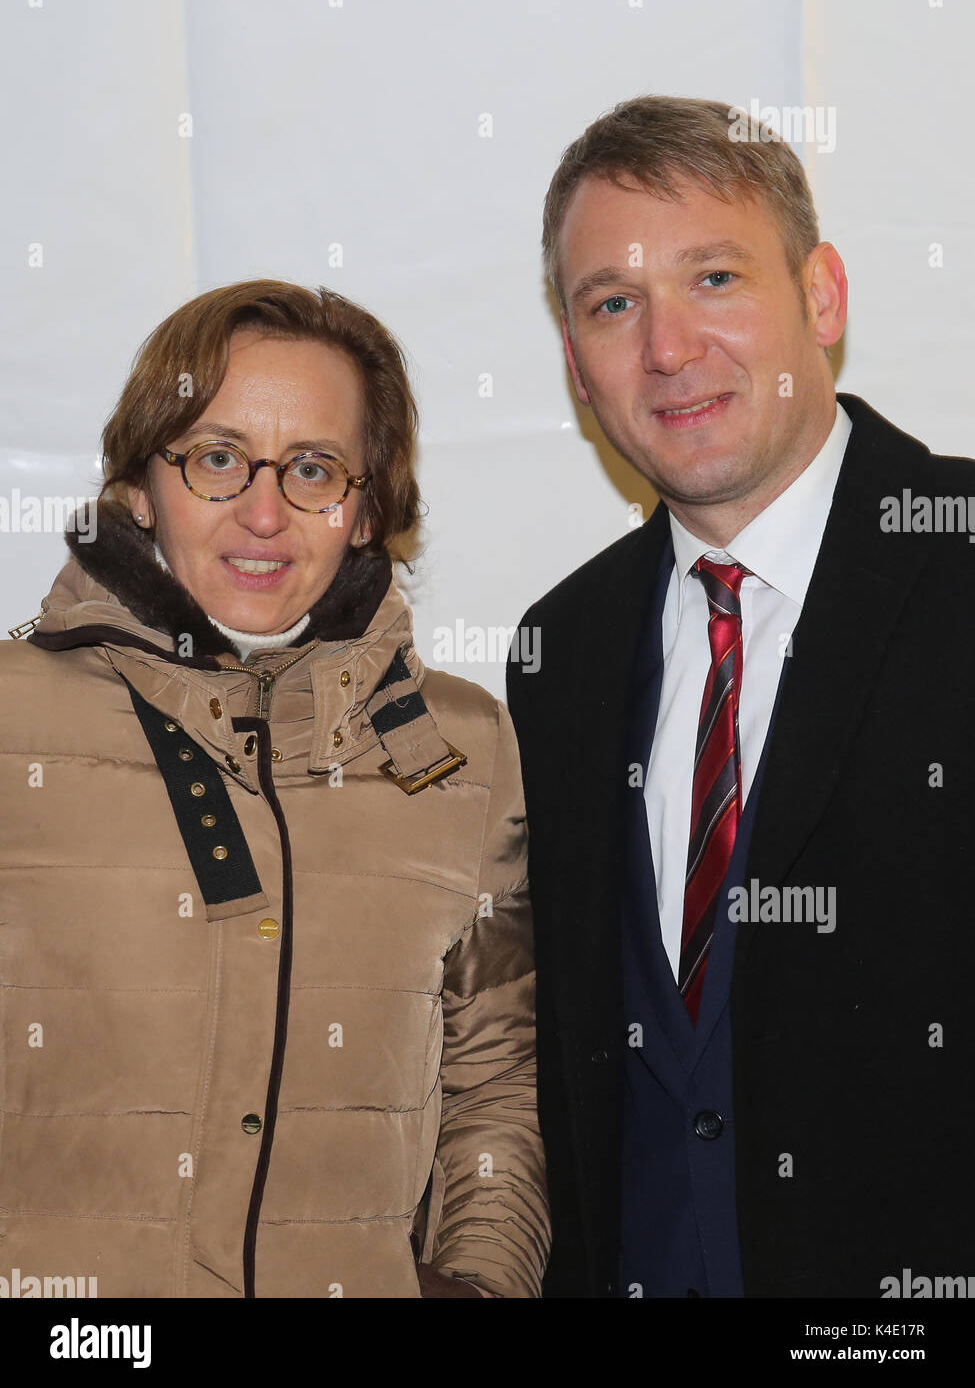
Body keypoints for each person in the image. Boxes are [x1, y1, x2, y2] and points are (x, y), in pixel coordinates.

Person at [506, 95, 975, 1298]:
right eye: (613, 302)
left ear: (822, 297)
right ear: (575, 362)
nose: (666, 348)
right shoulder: (559, 650)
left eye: (714, 277)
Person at [0, 279, 549, 1298]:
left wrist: (479, 1287)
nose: (264, 512)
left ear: (368, 506)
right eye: (217, 457)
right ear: (137, 486)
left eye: (312, 468)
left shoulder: (464, 750)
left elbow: (496, 1086)